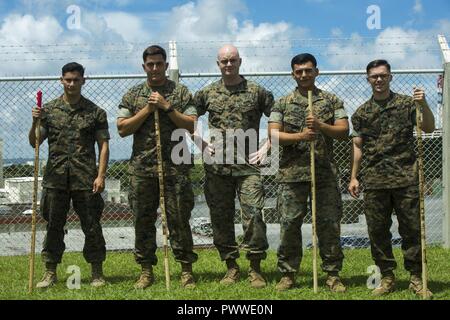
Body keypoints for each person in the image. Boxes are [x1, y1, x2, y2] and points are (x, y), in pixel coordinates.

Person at [349, 59, 435, 297]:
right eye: (374, 76)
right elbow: (357, 147)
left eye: (383, 75)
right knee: (377, 231)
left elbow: (428, 127)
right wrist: (354, 177)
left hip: (406, 179)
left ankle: (417, 278)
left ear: (390, 77)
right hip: (375, 181)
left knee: (412, 230)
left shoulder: (408, 104)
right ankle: (386, 277)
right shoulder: (361, 113)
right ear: (368, 79)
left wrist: (423, 103)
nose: (378, 80)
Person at [117, 45, 198, 289]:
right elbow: (122, 128)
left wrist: (166, 107)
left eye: (159, 64)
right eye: (150, 64)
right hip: (143, 169)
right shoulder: (132, 95)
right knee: (142, 220)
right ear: (144, 67)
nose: (154, 68)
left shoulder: (181, 92)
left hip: (176, 168)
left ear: (165, 65)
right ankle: (145, 270)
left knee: (179, 219)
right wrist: (147, 109)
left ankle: (185, 270)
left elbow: (191, 126)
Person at [194, 45, 274, 289]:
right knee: (220, 218)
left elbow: (279, 118)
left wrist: (267, 146)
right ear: (217, 64)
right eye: (223, 61)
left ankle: (255, 268)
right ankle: (231, 266)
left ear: (240, 61)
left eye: (232, 60)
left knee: (254, 216)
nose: (228, 65)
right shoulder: (207, 93)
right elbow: (188, 119)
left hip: (249, 168)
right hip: (217, 169)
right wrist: (201, 144)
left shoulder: (257, 92)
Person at [268, 53, 348, 292]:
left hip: (324, 174)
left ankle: (332, 274)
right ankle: (288, 274)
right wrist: (301, 136)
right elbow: (273, 135)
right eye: (299, 71)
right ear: (293, 74)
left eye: (308, 70)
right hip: (292, 175)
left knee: (328, 224)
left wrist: (322, 126)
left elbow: (344, 131)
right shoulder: (282, 103)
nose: (304, 74)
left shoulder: (331, 100)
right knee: (290, 224)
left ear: (316, 72)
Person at [29, 62, 110, 288]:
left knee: (92, 226)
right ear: (61, 80)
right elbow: (34, 141)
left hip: (86, 179)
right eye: (68, 79)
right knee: (54, 226)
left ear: (84, 80)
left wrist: (101, 175)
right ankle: (50, 272)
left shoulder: (95, 112)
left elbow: (103, 145)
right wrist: (35, 120)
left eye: (76, 79)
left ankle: (96, 272)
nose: (72, 83)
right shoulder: (49, 111)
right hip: (55, 179)